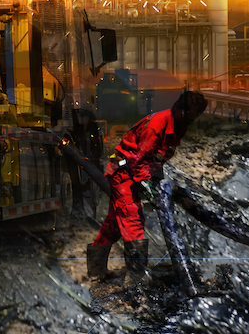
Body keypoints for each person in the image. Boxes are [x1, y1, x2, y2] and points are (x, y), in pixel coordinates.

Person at [86, 89, 208, 282]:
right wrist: (150, 187)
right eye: (192, 116)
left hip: (135, 174)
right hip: (124, 175)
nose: (193, 121)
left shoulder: (179, 124)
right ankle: (136, 278)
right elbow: (139, 160)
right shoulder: (157, 125)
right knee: (132, 219)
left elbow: (158, 159)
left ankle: (95, 271)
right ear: (181, 110)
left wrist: (157, 182)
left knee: (114, 224)